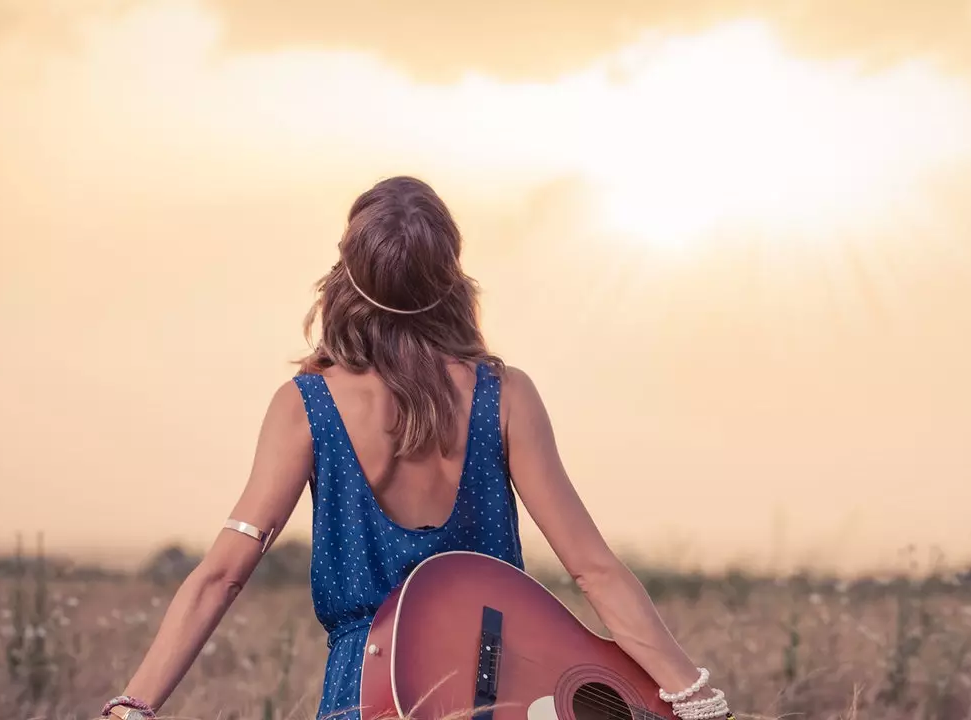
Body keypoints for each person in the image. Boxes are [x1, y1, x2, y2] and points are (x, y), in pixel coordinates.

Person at [99, 177, 734, 720]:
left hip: (363, 698)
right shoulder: (505, 396)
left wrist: (134, 706)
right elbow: (594, 571)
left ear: (344, 277)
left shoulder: (304, 407)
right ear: (452, 278)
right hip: (496, 701)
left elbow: (221, 576)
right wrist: (697, 699)